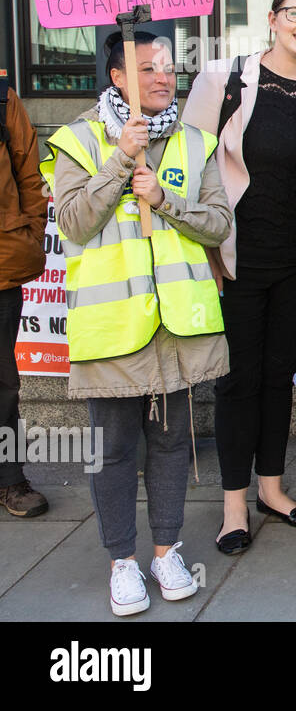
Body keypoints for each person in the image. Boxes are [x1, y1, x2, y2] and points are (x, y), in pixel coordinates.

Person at [44, 32, 230, 615]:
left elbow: (219, 224)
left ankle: (166, 549)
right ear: (117, 77)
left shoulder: (197, 142)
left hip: (177, 325)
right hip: (114, 327)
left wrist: (166, 200)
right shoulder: (77, 138)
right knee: (115, 448)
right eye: (146, 68)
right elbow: (74, 222)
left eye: (168, 68)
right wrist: (122, 158)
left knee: (174, 444)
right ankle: (122, 561)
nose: (161, 77)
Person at [184, 0, 296, 554]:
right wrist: (205, 249)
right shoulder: (224, 80)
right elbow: (190, 162)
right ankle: (233, 505)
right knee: (238, 382)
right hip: (235, 258)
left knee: (280, 377)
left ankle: (272, 489)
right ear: (273, 18)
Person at [0, 76, 49, 517]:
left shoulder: (2, 97)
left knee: (3, 384)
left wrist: (30, 235)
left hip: (1, 263)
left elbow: (29, 175)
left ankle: (10, 479)